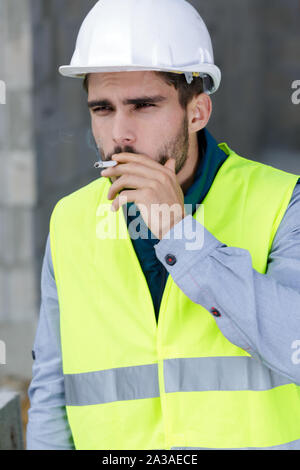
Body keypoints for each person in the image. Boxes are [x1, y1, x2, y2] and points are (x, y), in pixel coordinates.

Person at [27, 0, 300, 450]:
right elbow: (52, 392)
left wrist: (182, 237)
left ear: (198, 111)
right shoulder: (71, 220)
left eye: (143, 106)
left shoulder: (282, 202)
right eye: (103, 109)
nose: (120, 134)